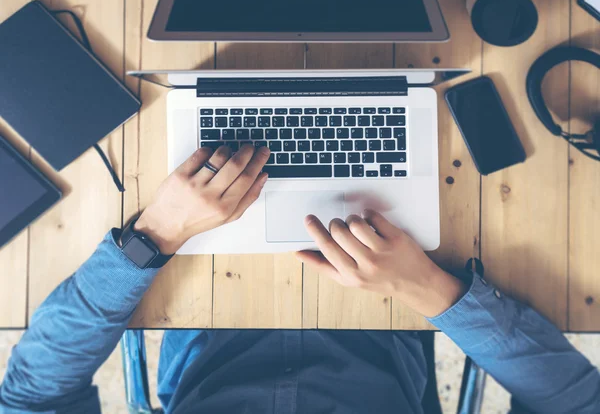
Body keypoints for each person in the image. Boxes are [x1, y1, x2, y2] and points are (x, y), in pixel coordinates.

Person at [0, 144, 598, 414]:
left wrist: (153, 234)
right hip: (388, 314)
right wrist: (430, 289)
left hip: (207, 310)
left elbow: (29, 398)